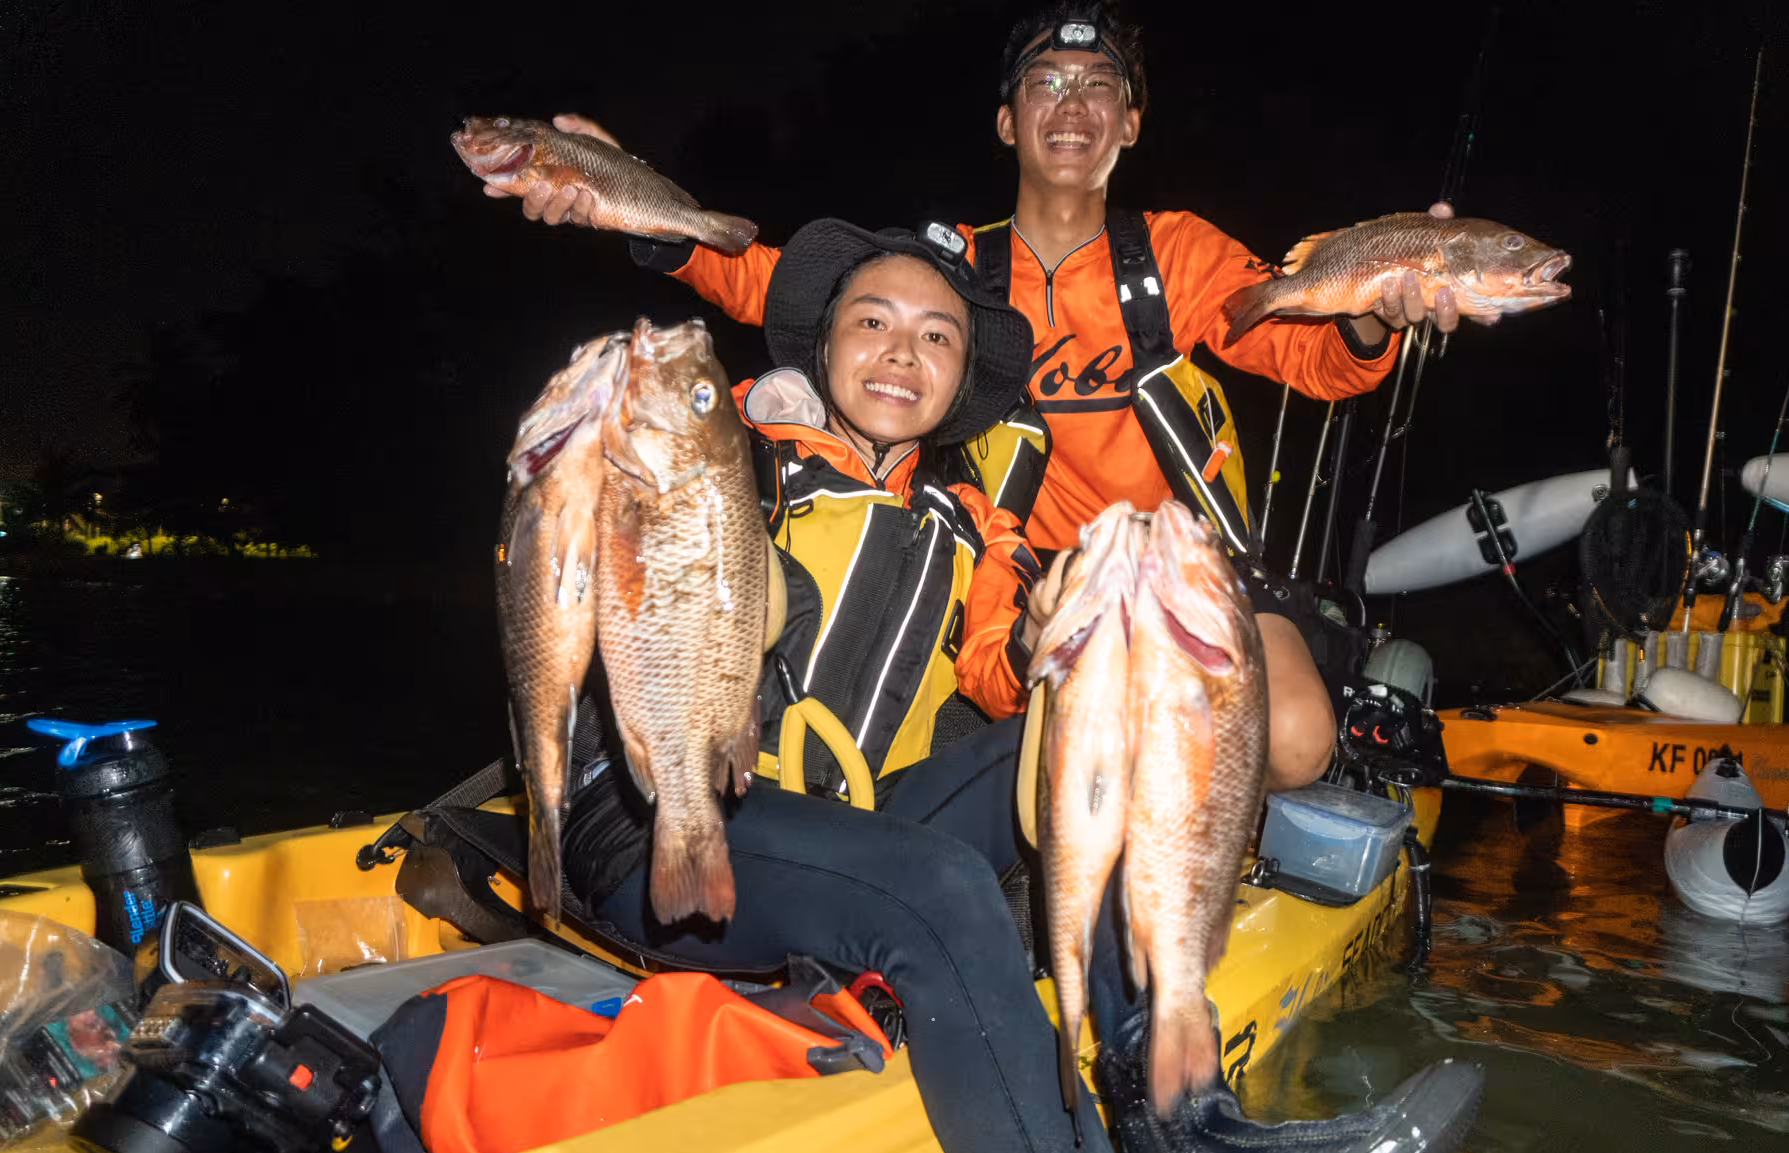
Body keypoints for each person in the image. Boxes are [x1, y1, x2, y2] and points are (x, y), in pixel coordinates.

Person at [556, 218, 1483, 1153]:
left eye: (938, 336)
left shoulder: (973, 523)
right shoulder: (726, 455)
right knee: (944, 883)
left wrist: (1055, 645)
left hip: (854, 834)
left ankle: (1187, 1133)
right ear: (822, 346)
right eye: (873, 322)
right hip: (660, 834)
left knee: (1098, 735)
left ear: (963, 380)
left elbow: (997, 672)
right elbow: (618, 558)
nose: (903, 352)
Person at [487, 1, 1468, 798]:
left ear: (1130, 122)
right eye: (1046, 83)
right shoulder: (955, 269)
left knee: (1295, 739)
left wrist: (1374, 310)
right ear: (1009, 121)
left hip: (1185, 563)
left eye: (1100, 88)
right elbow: (775, 281)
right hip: (1030, 575)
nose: (1072, 105)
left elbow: (1319, 356)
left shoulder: (1172, 256)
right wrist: (630, 199)